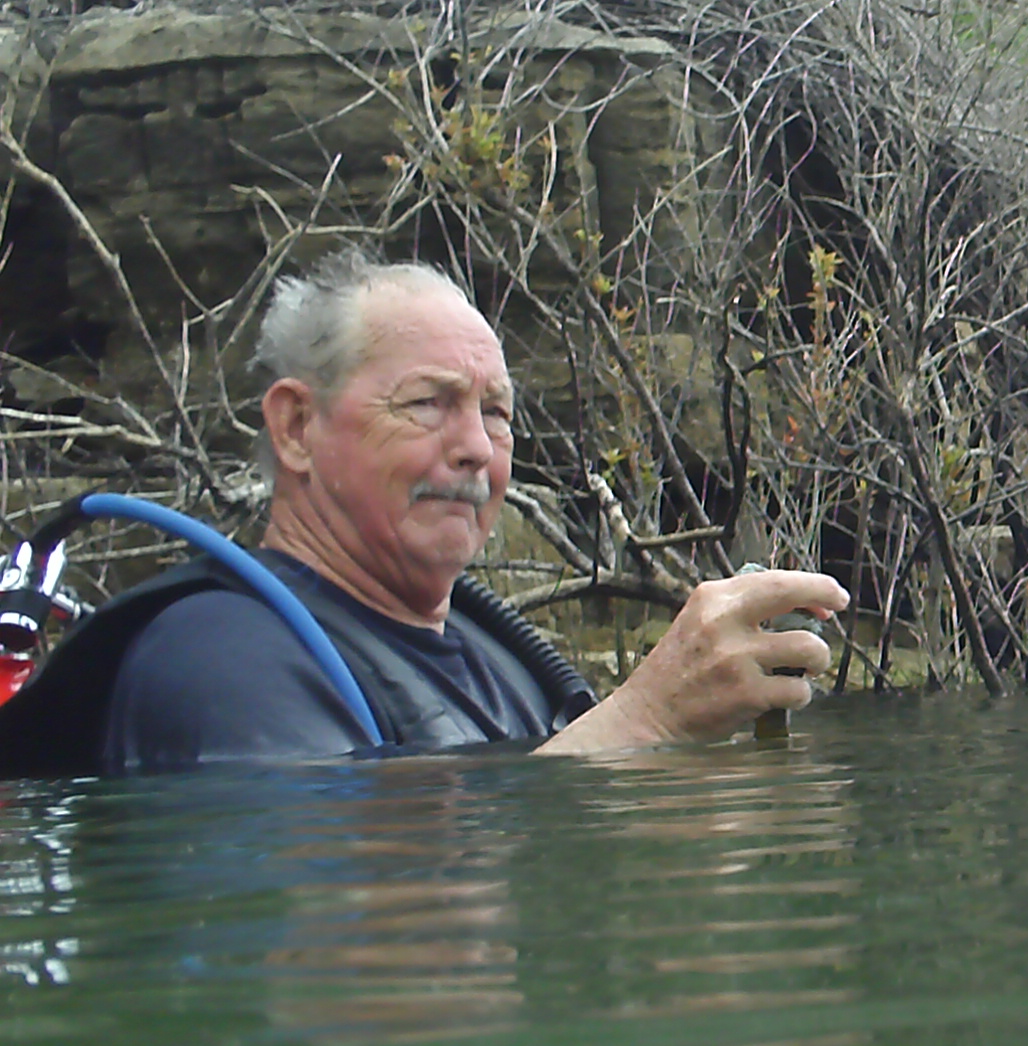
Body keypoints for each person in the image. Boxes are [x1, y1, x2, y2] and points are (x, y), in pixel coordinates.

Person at [86, 251, 846, 770]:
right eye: (428, 403)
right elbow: (324, 884)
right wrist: (649, 719)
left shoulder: (498, 660)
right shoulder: (216, 660)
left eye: (496, 412)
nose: (477, 448)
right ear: (295, 428)